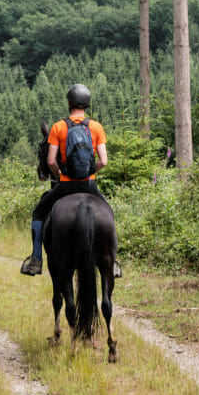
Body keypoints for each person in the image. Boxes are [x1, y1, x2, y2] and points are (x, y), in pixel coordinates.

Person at [20, 83, 119, 277]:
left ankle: (36, 259)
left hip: (65, 184)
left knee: (39, 213)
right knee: (109, 213)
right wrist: (90, 171)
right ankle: (113, 261)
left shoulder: (58, 127)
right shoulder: (96, 127)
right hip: (89, 183)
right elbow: (104, 161)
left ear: (69, 103)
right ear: (87, 104)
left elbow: (50, 161)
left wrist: (60, 176)